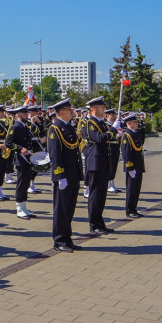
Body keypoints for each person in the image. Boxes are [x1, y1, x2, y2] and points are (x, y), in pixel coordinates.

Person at [47, 98, 83, 252]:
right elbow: (55, 155)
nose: (72, 112)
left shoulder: (68, 127)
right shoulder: (55, 128)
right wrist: (60, 176)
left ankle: (67, 238)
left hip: (73, 174)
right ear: (61, 112)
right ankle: (59, 240)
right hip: (63, 176)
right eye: (69, 110)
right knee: (61, 209)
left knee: (69, 208)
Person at [80, 97, 118, 235]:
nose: (104, 110)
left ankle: (100, 223)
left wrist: (113, 129)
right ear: (94, 109)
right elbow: (100, 139)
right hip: (95, 163)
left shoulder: (101, 123)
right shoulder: (90, 123)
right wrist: (113, 129)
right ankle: (94, 224)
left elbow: (111, 137)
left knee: (101, 196)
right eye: (102, 107)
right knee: (95, 195)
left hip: (103, 162)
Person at [4, 105, 36, 219]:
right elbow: (8, 142)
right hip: (20, 159)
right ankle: (19, 208)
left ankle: (24, 207)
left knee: (26, 183)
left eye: (27, 114)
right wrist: (20, 148)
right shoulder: (16, 127)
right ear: (18, 115)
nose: (27, 116)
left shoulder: (25, 126)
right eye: (25, 114)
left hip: (27, 159)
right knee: (21, 184)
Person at [120, 113, 146, 218]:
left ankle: (133, 209)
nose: (137, 124)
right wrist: (130, 168)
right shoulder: (127, 135)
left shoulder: (134, 133)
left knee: (136, 189)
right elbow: (126, 153)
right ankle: (129, 210)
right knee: (131, 190)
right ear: (129, 123)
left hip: (138, 166)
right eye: (135, 122)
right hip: (132, 167)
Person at [105, 108, 121, 193]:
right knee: (110, 166)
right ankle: (109, 184)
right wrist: (116, 136)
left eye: (114, 114)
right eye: (112, 114)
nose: (114, 116)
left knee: (114, 166)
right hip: (110, 147)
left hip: (116, 147)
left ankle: (112, 183)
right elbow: (107, 137)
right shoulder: (106, 125)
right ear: (107, 115)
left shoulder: (116, 124)